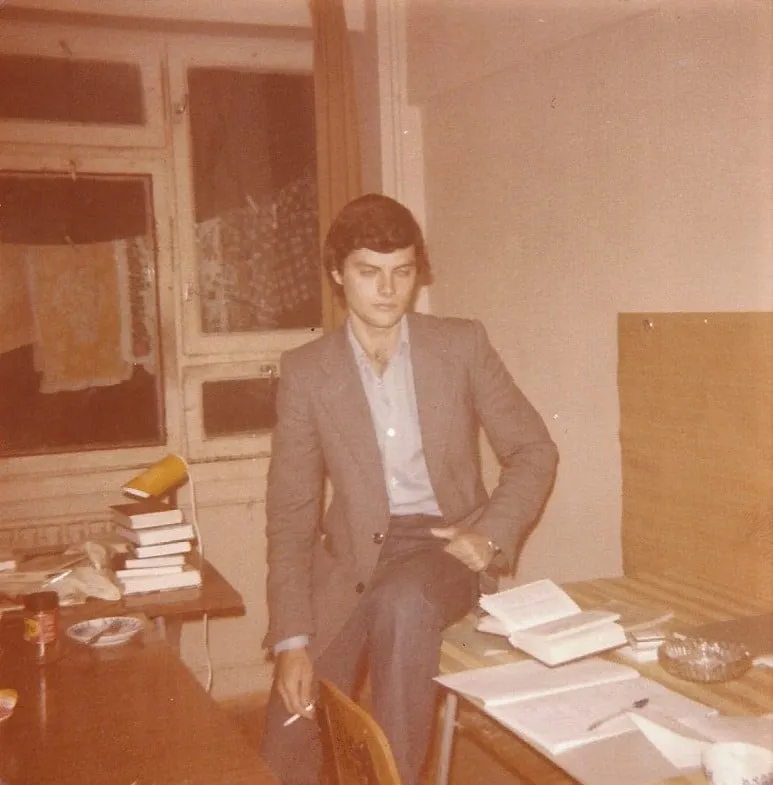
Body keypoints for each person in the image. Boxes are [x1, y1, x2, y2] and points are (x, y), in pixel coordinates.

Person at [260, 193, 558, 785]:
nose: (387, 289)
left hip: (440, 552)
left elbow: (534, 450)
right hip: (350, 558)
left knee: (402, 604)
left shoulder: (461, 345)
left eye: (402, 271)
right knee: (290, 730)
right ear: (337, 273)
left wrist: (489, 536)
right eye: (368, 272)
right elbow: (292, 514)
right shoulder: (306, 371)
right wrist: (291, 638)